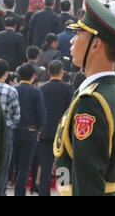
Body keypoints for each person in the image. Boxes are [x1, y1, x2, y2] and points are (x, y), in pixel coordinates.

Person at [53, 0, 115, 196]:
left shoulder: (91, 101)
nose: (72, 40)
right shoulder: (110, 93)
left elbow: (88, 180)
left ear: (95, 44)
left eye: (78, 33)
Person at [38, 60, 73, 196]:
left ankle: (43, 193)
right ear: (62, 72)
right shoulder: (68, 88)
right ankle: (64, 192)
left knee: (46, 165)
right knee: (63, 165)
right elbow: (69, 111)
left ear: (48, 72)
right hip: (62, 132)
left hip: (45, 131)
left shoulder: (42, 88)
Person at [13, 63, 46, 196]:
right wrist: (40, 129)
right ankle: (19, 193)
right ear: (33, 76)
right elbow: (41, 113)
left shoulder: (13, 89)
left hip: (15, 130)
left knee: (16, 165)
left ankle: (16, 191)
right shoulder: (36, 91)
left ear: (19, 75)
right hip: (30, 132)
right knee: (25, 167)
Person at [0, 59, 20, 196]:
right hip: (4, 132)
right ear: (6, 74)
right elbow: (17, 116)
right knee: (2, 166)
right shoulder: (11, 91)